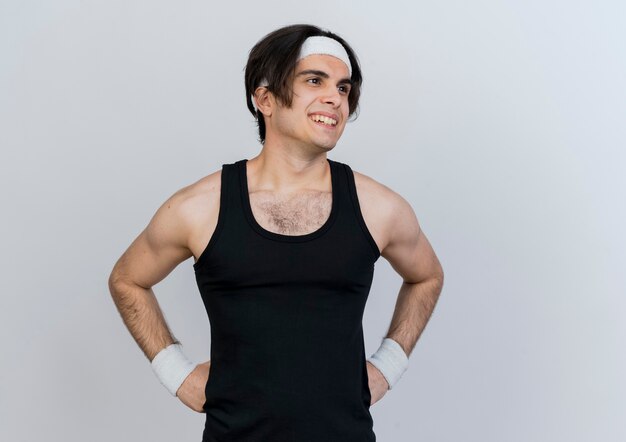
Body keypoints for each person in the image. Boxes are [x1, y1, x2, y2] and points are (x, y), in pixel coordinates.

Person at [108, 24, 444, 441]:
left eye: (343, 88)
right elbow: (127, 280)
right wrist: (176, 373)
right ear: (264, 99)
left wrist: (388, 365)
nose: (334, 99)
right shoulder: (200, 207)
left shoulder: (380, 208)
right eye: (314, 81)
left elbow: (427, 276)